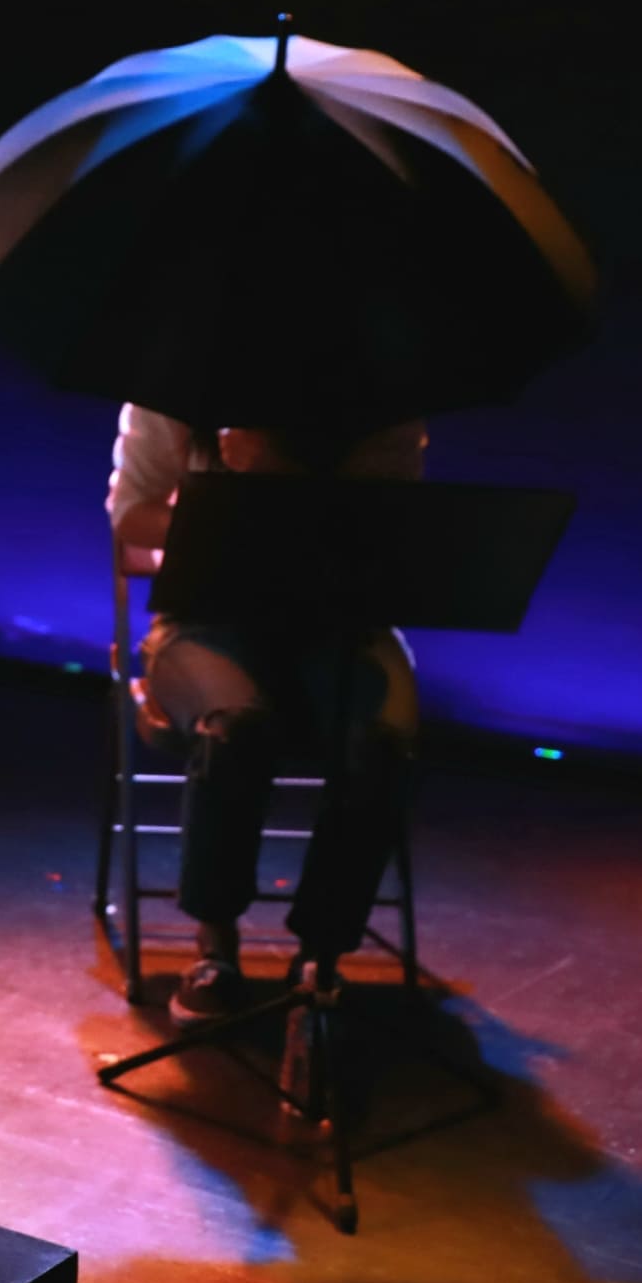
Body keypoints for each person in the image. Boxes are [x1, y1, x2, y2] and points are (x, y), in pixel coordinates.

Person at [112, 406, 424, 1014]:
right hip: (205, 617)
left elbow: (391, 530)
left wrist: (288, 477)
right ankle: (215, 943)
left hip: (340, 626)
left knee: (381, 742)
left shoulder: (383, 405)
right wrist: (234, 504)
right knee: (236, 731)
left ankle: (321, 954)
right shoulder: (172, 389)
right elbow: (131, 517)